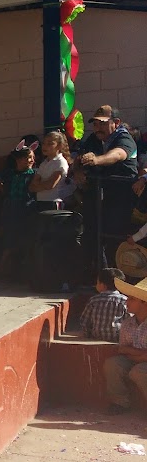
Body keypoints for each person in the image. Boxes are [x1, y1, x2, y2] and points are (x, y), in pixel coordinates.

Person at [80, 105, 139, 267]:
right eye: (95, 124)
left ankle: (116, 281)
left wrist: (97, 160)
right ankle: (96, 278)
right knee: (92, 235)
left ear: (116, 122)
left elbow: (118, 154)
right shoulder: (94, 139)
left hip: (120, 198)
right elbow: (79, 156)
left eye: (103, 123)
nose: (98, 128)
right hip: (98, 196)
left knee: (114, 238)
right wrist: (78, 170)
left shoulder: (125, 139)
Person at [104, 275, 147, 414]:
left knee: (139, 371)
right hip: (136, 360)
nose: (127, 302)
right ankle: (120, 403)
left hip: (140, 364)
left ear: (144, 303)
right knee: (112, 364)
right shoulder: (127, 323)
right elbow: (122, 349)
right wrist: (140, 356)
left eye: (132, 299)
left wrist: (135, 354)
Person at [0, 141, 37, 275]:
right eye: (28, 157)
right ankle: (3, 268)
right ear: (18, 159)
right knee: (9, 238)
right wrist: (4, 190)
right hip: (11, 207)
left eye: (32, 157)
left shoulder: (34, 174)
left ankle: (24, 270)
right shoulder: (9, 173)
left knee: (24, 238)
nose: (31, 160)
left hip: (26, 208)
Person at [80, 267, 127, 342]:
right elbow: (130, 319)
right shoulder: (124, 300)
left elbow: (85, 321)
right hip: (118, 339)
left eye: (97, 282)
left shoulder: (93, 300)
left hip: (96, 337)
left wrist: (87, 336)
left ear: (103, 285)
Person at [29, 131, 72, 212]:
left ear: (59, 146)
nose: (45, 146)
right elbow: (32, 186)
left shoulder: (60, 162)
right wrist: (43, 185)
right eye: (44, 143)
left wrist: (39, 185)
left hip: (54, 202)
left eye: (50, 144)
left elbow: (50, 185)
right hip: (40, 202)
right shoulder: (43, 163)